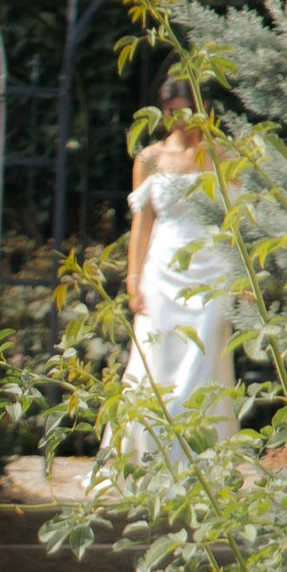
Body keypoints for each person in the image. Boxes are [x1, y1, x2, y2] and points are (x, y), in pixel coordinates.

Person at [108, 77, 235, 468]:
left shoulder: (224, 154)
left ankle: (201, 459)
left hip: (213, 271)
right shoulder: (149, 158)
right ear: (164, 112)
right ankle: (149, 457)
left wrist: (244, 276)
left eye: (190, 109)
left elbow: (237, 218)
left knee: (206, 353)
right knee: (156, 358)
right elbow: (142, 224)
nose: (183, 119)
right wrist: (132, 281)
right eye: (174, 111)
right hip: (161, 272)